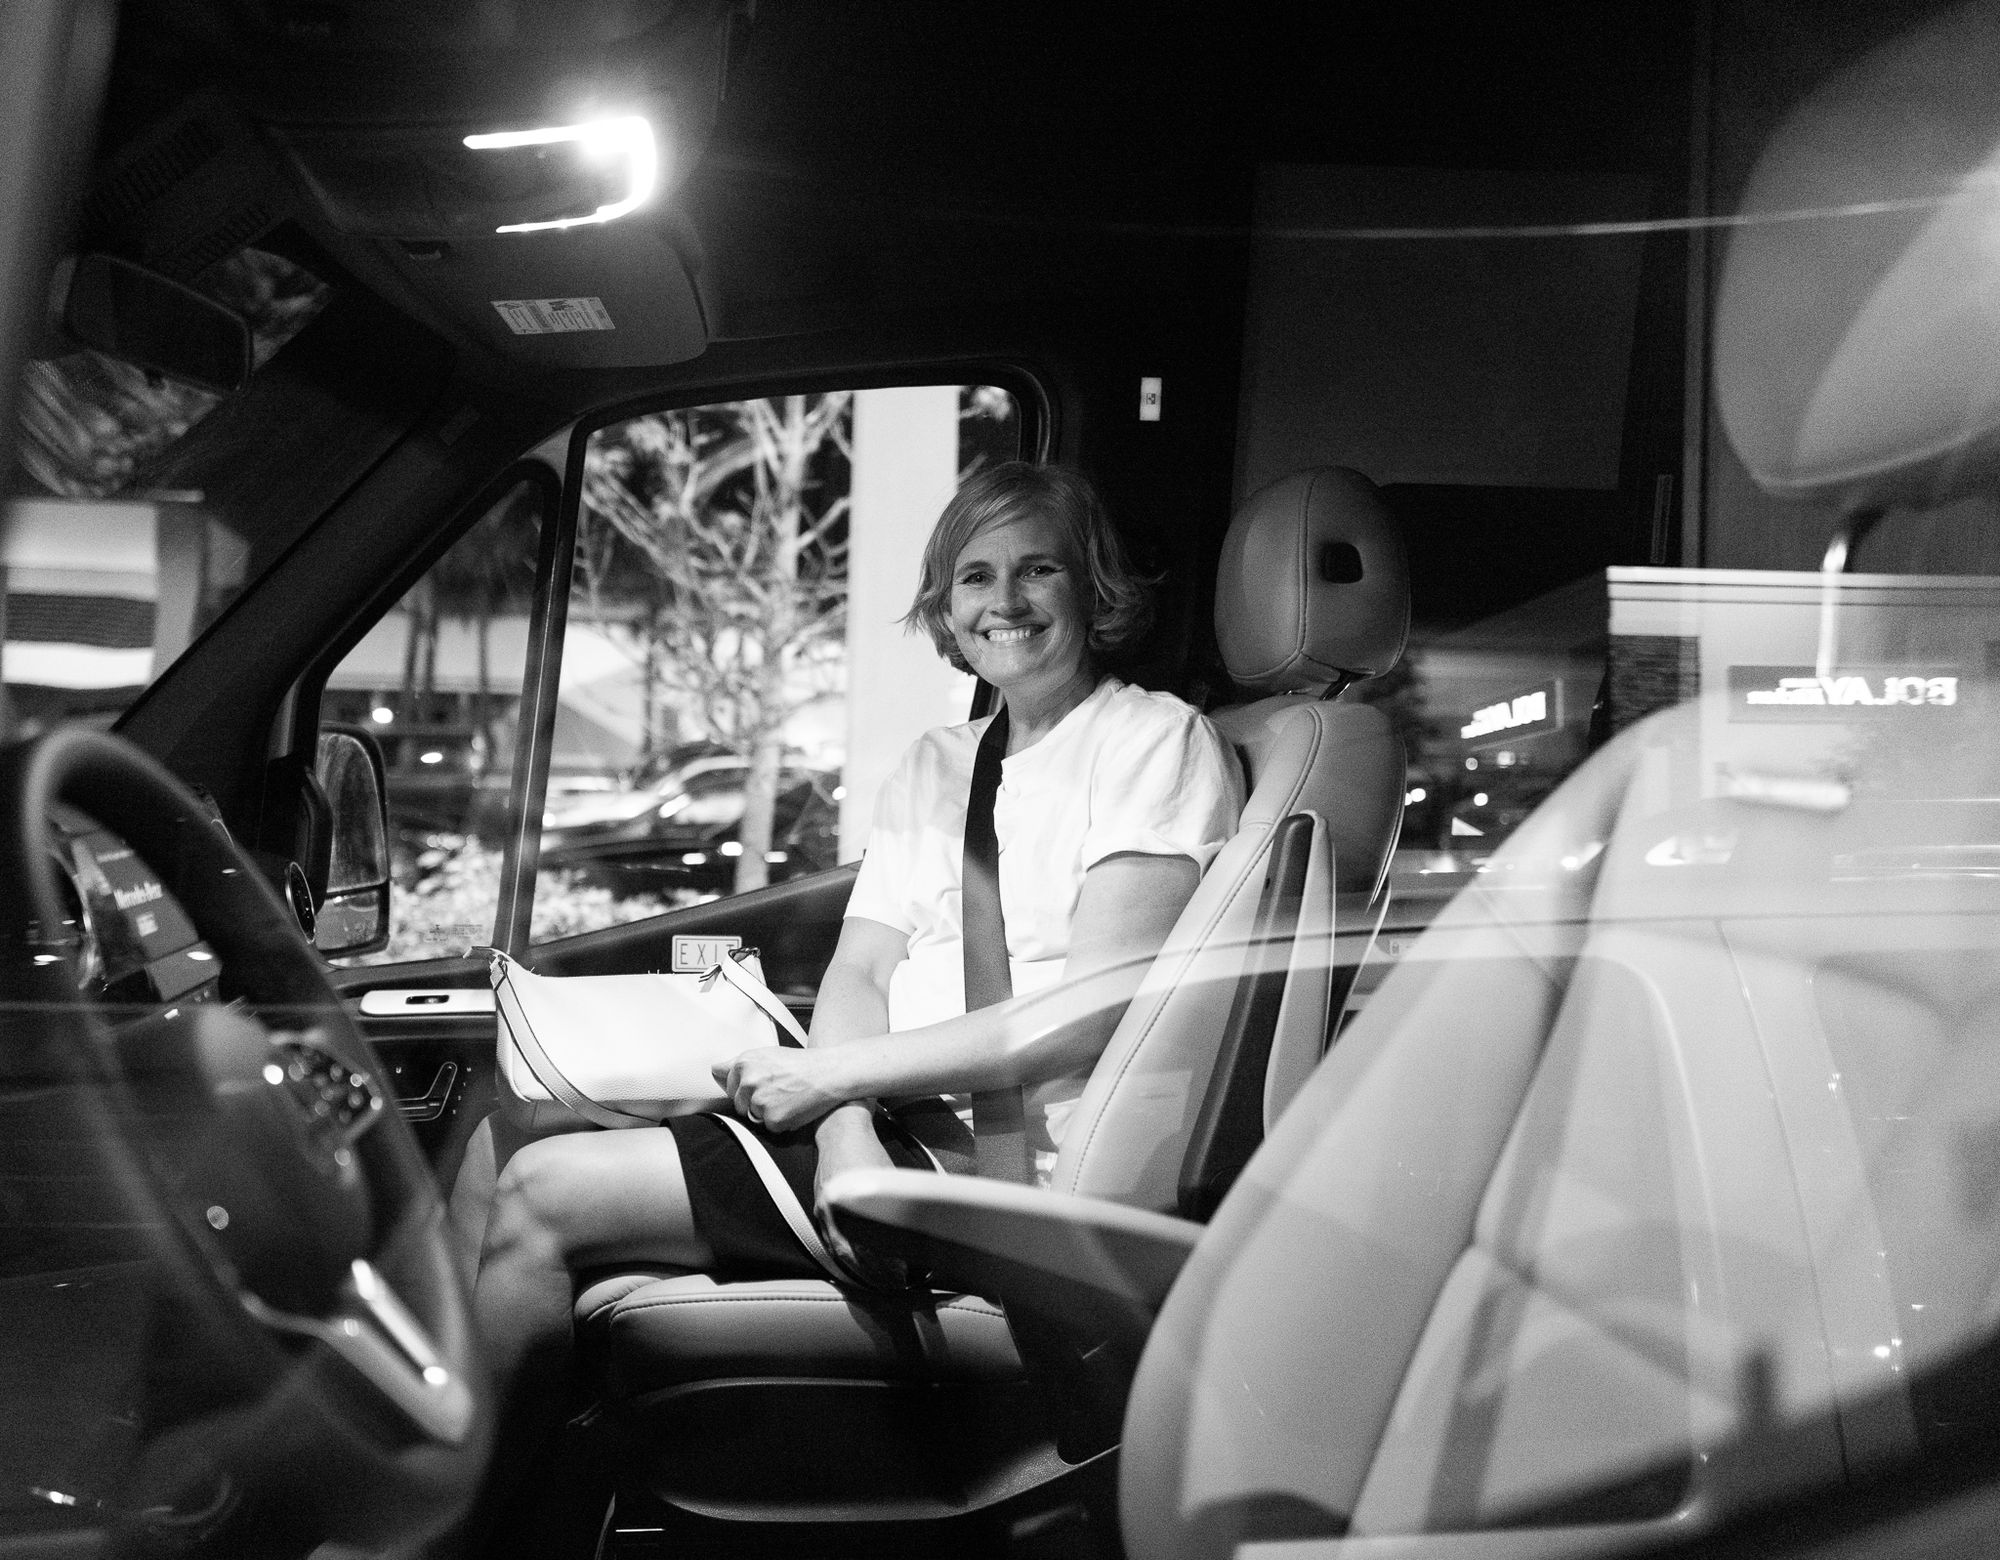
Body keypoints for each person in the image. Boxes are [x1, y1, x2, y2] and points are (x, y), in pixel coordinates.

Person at [469, 460, 1243, 1440]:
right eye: (974, 576)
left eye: (1038, 569)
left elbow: (1081, 1018)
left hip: (993, 1162)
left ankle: (463, 1510)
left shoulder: (1153, 743)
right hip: (889, 1117)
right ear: (945, 606)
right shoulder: (938, 763)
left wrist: (832, 1081)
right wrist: (842, 1129)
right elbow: (861, 971)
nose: (1004, 600)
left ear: (1094, 587)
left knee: (537, 1192)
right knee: (497, 1136)